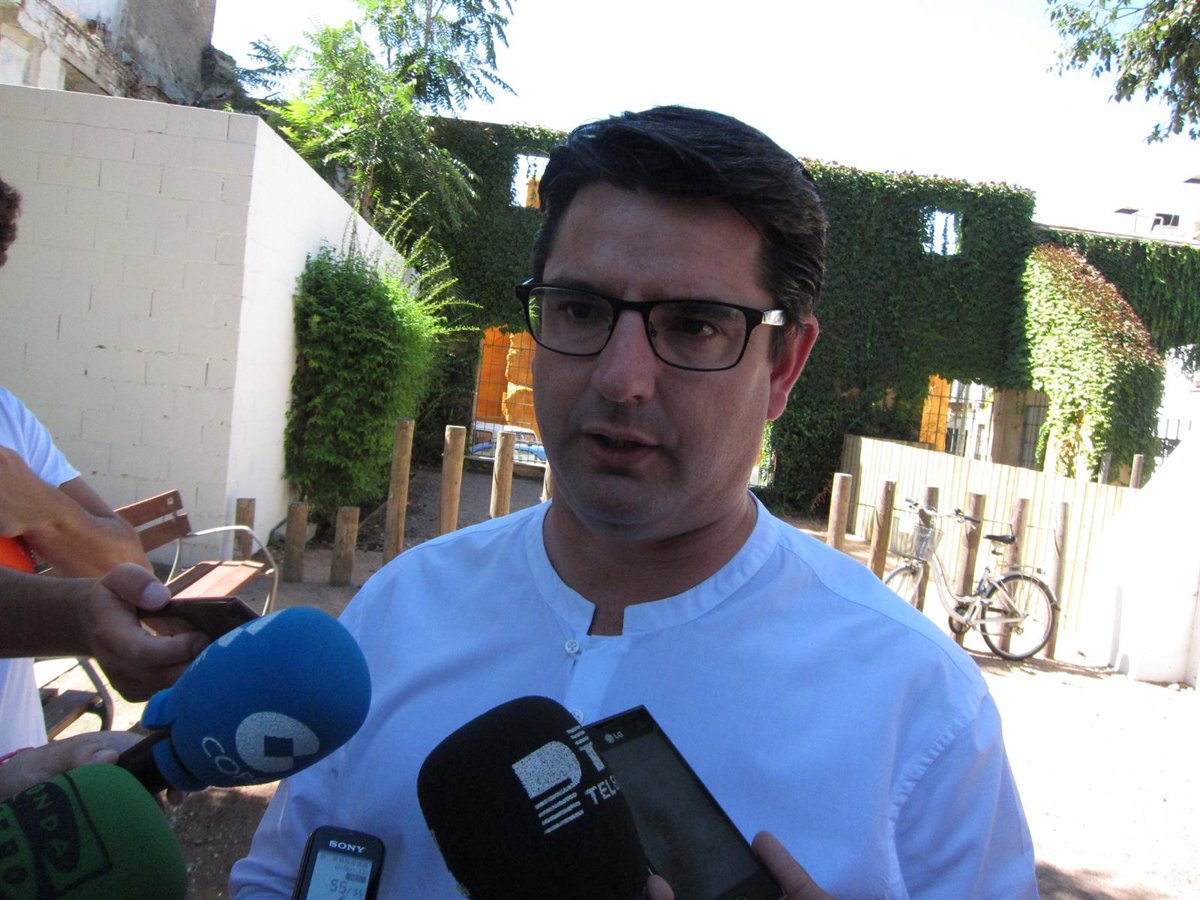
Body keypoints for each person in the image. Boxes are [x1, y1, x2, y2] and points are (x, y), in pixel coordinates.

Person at [231, 107, 1036, 898]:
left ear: (784, 364)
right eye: (580, 310)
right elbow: (276, 878)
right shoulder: (398, 614)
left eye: (693, 327)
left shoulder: (918, 707)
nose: (621, 379)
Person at [0, 175, 207, 758]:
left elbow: (125, 563)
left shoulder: (8, 416)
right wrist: (83, 617)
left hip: (17, 773)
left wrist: (44, 509)